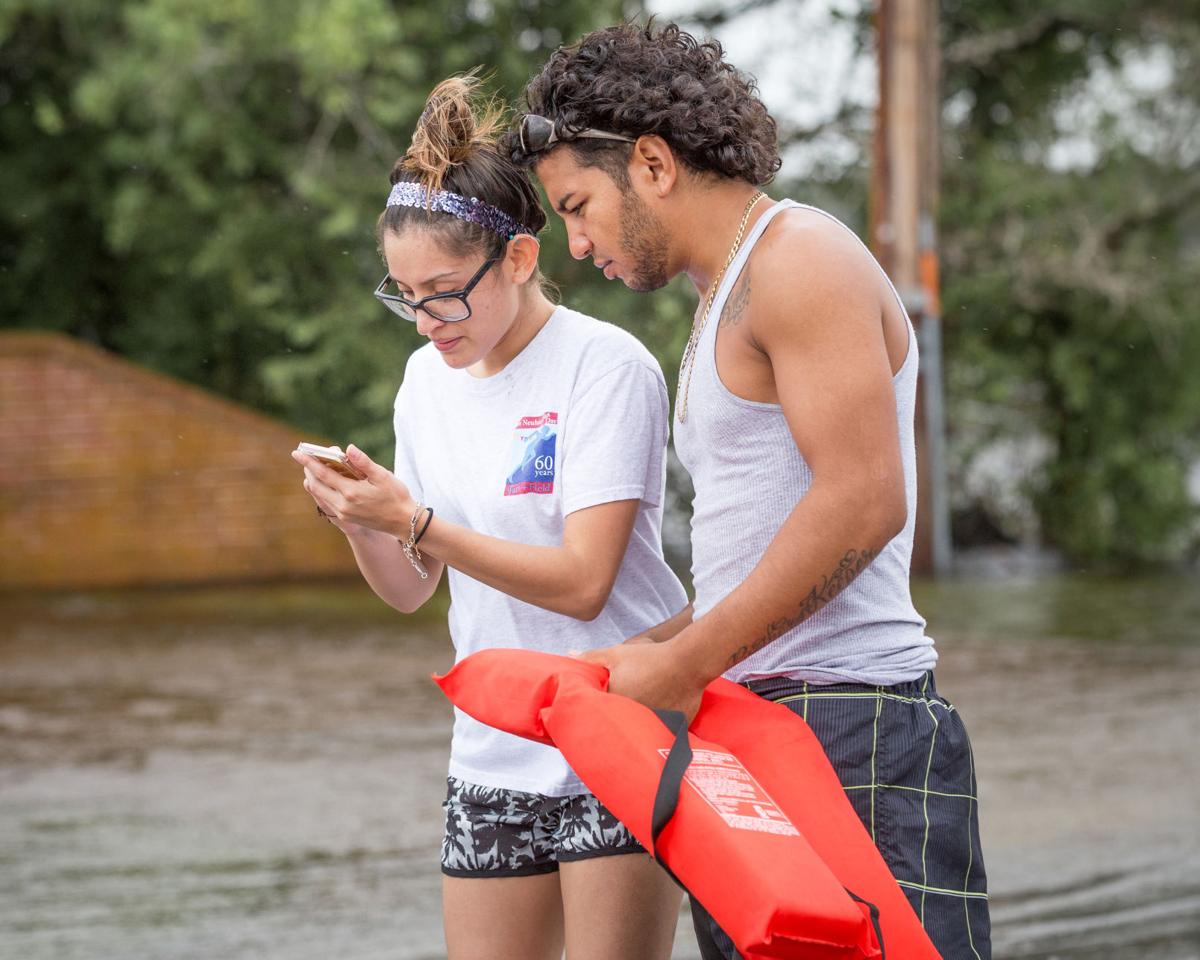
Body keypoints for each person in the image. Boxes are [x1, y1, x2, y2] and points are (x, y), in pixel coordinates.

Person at [506, 21, 991, 960]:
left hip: (851, 730)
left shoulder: (797, 259)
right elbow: (759, 550)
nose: (576, 242)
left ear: (652, 164)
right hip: (754, 730)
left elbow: (864, 502)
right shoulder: (721, 293)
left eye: (577, 206)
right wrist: (645, 653)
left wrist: (683, 667)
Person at [291, 76, 685, 960]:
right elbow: (411, 590)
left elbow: (585, 585)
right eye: (404, 295)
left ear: (517, 258)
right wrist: (362, 520)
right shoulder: (424, 382)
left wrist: (414, 520)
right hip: (493, 744)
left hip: (618, 728)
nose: (425, 322)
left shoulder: (607, 368)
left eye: (442, 291)